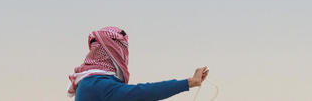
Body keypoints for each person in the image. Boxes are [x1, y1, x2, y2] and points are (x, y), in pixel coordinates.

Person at [68, 26, 209, 101]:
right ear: (114, 52)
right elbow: (141, 93)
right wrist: (189, 82)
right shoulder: (96, 84)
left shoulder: (91, 82)